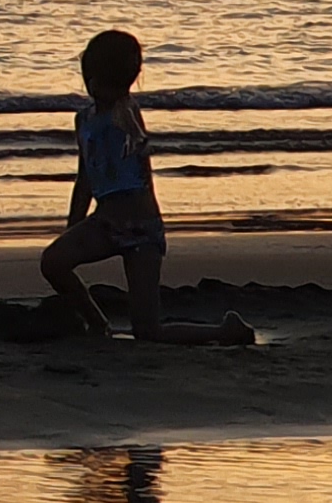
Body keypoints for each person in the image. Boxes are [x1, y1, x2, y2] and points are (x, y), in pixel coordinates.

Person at [39, 28, 242, 343]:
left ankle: (225, 332)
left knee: (147, 330)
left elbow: (135, 134)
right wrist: (72, 226)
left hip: (141, 226)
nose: (94, 87)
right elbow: (85, 179)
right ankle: (96, 322)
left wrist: (135, 136)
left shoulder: (125, 110)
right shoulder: (84, 120)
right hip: (106, 221)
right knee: (53, 262)